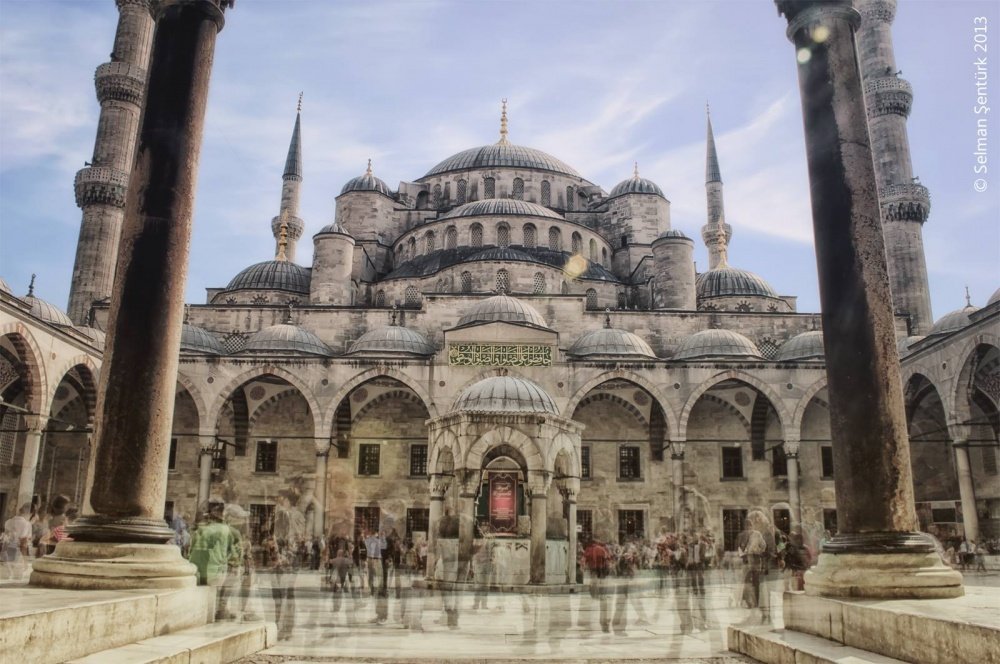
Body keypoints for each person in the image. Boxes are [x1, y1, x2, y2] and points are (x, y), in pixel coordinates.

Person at [188, 502, 242, 620]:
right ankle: (216, 615)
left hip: (195, 570)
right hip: (215, 572)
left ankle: (200, 617)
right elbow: (234, 555)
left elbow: (190, 550)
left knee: (202, 597)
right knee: (218, 592)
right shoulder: (228, 530)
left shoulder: (200, 530)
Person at [582, 538, 612, 633]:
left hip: (593, 571)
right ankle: (604, 622)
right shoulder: (603, 549)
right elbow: (608, 561)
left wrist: (584, 568)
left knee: (593, 583)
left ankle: (594, 594)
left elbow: (583, 561)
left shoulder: (588, 550)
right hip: (602, 571)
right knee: (602, 590)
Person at [2, 503, 33, 581]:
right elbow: (24, 541)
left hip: (8, 548)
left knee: (7, 574)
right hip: (19, 551)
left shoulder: (8, 522)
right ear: (29, 513)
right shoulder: (27, 524)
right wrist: (26, 559)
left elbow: (6, 537)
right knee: (18, 576)